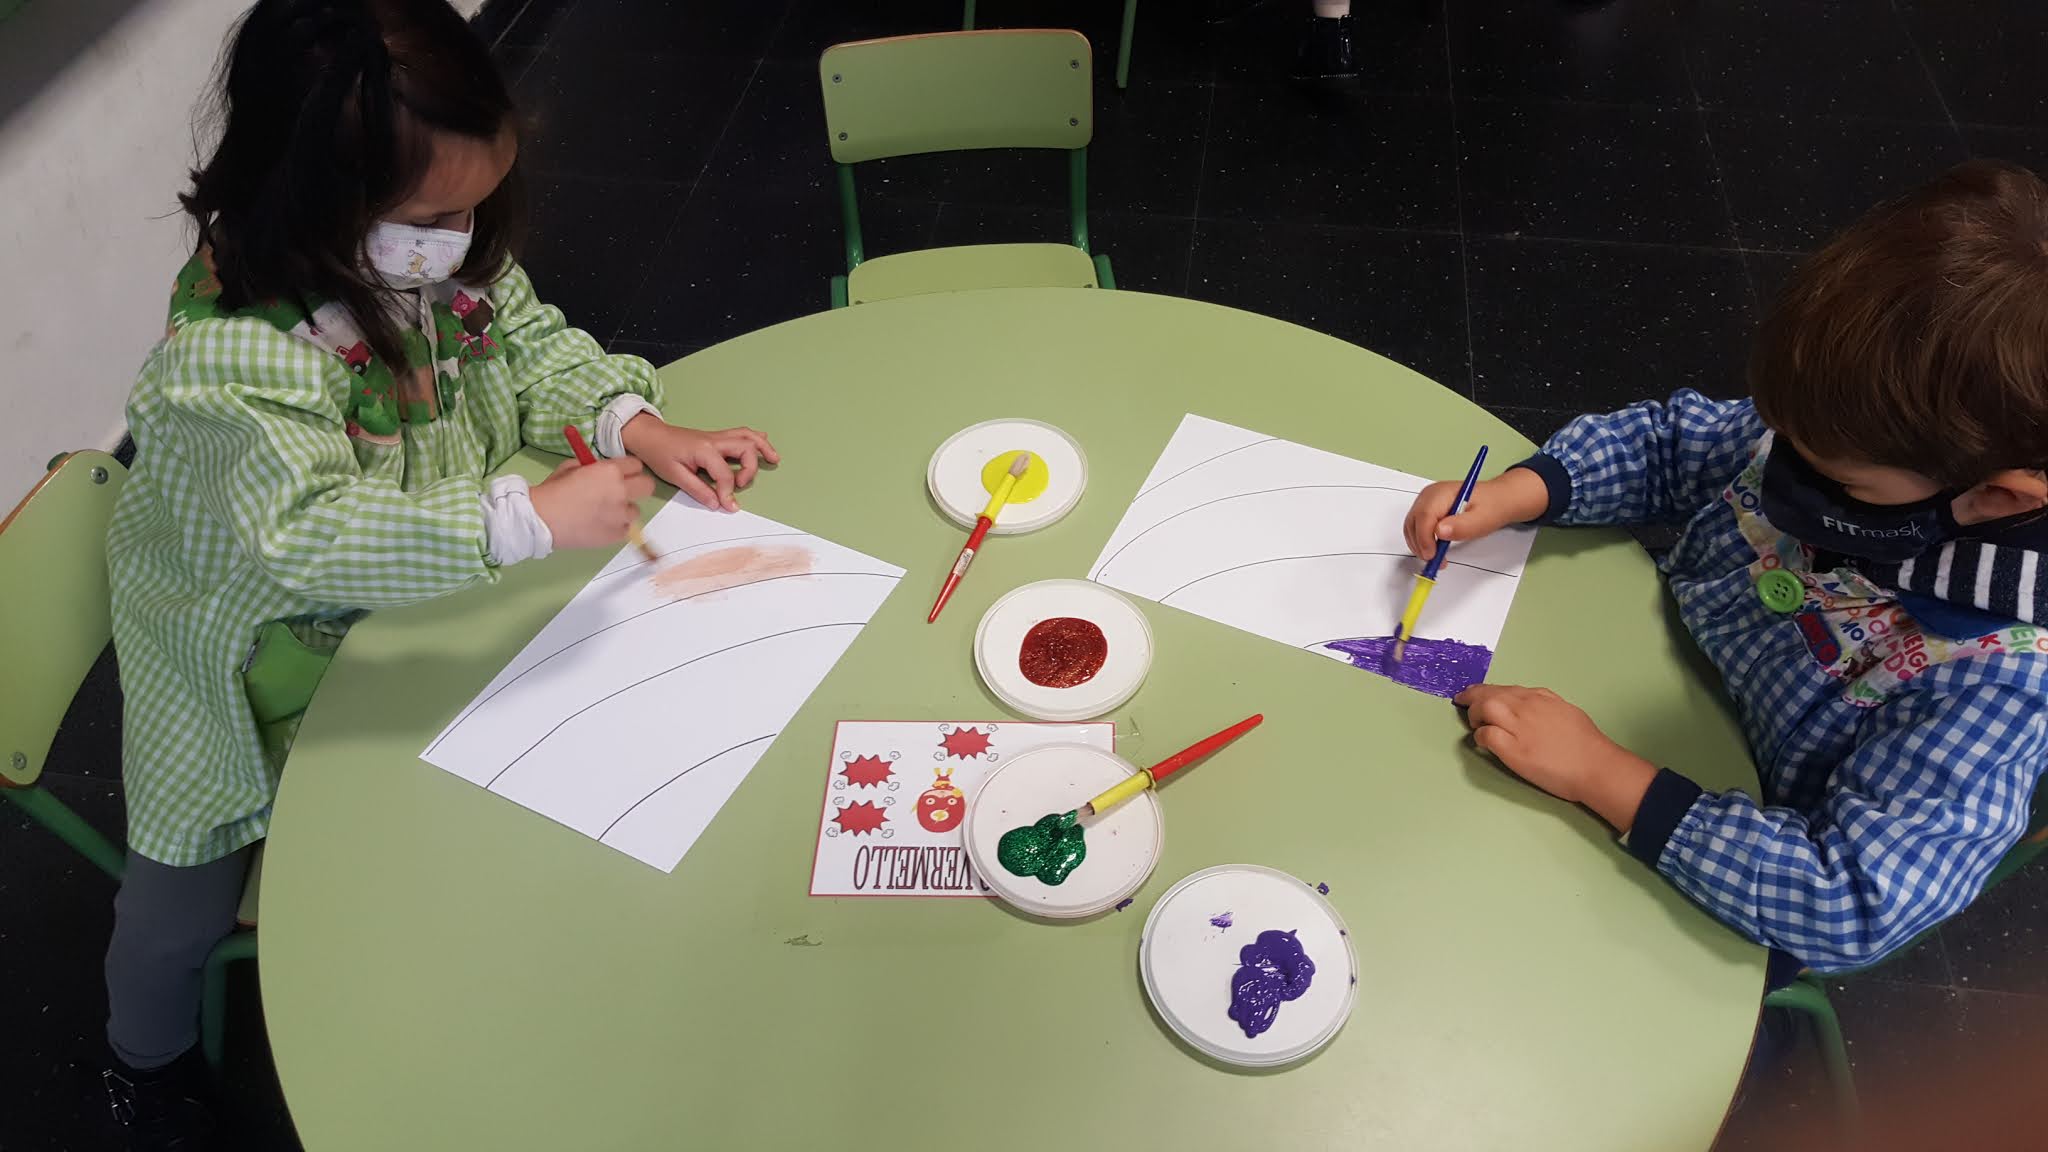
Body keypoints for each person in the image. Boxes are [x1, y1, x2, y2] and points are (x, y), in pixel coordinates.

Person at [100, 1, 777, 1146]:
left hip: (410, 602)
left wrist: (630, 423)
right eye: (431, 218)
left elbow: (529, 341)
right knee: (179, 894)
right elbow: (306, 536)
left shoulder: (427, 252)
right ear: (308, 197)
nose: (457, 240)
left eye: (474, 209)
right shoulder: (228, 362)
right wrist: (518, 520)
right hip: (237, 650)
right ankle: (142, 1058)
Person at [1405, 160, 2048, 993]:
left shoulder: (1998, 680)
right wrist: (1519, 491)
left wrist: (1603, 773)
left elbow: (1852, 903)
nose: (1780, 468)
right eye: (1782, 437)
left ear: (2000, 496)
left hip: (1709, 878)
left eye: (1837, 482)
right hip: (1627, 687)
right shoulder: (1859, 431)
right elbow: (1671, 446)